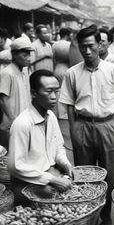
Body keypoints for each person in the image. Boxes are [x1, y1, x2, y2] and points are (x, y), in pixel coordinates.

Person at [59, 25, 114, 225]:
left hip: (109, 125)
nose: (87, 51)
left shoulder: (113, 70)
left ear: (100, 44)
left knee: (112, 175)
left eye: (91, 46)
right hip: (83, 126)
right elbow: (68, 104)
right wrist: (74, 129)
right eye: (83, 47)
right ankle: (90, 217)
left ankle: (107, 216)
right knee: (85, 175)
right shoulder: (72, 73)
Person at [8, 70, 73, 205]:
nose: (54, 96)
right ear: (33, 93)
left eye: (57, 91)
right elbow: (15, 166)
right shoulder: (22, 123)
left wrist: (66, 164)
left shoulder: (51, 117)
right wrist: (53, 180)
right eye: (49, 91)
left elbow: (58, 146)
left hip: (49, 174)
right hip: (27, 182)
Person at [0, 37, 32, 148]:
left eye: (29, 54)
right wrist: (13, 120)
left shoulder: (24, 71)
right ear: (14, 55)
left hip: (23, 122)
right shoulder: (7, 73)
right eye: (25, 55)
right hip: (12, 124)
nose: (29, 58)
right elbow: (3, 100)